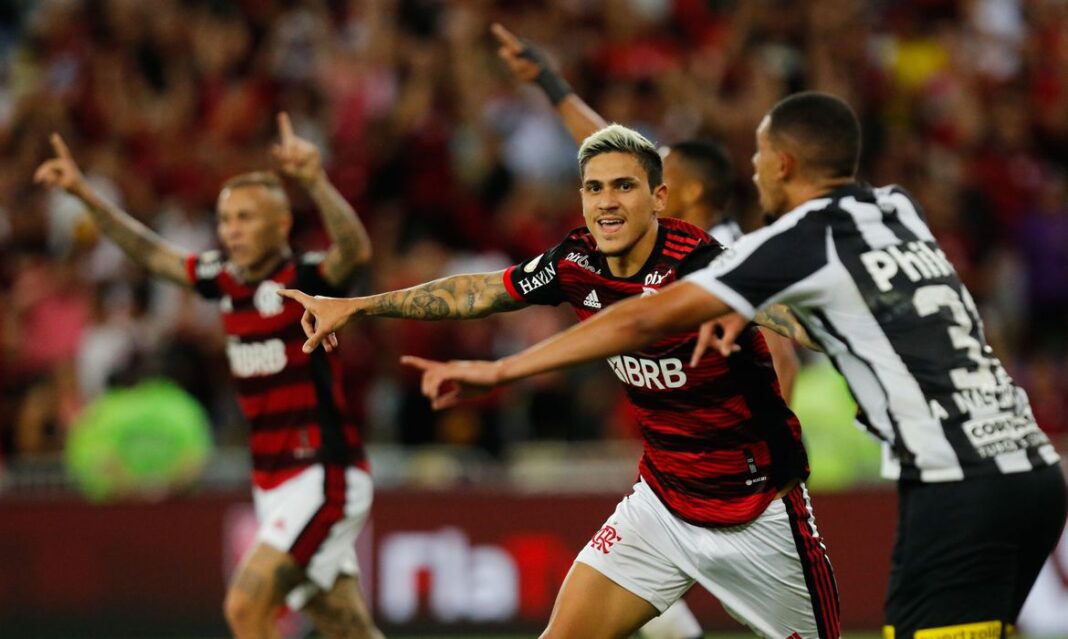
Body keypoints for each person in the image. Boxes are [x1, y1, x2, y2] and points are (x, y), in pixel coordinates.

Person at [392, 93, 1067, 639]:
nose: (751, 169)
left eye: (758, 155)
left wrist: (500, 371)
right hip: (1031, 467)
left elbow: (642, 318)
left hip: (951, 483)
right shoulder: (895, 209)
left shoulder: (786, 245)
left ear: (783, 164)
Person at [281, 124, 839, 638]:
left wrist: (857, 329)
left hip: (758, 511)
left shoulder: (705, 266)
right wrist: (358, 305)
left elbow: (803, 320)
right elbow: (480, 291)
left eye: (623, 186)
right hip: (662, 507)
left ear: (659, 198)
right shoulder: (575, 261)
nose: (607, 202)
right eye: (594, 188)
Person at [34, 115, 383, 639]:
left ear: (281, 224)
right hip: (272, 481)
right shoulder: (222, 278)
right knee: (347, 629)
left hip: (322, 473)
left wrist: (315, 182)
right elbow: (151, 252)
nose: (232, 229)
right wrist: (85, 195)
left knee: (245, 607)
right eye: (225, 218)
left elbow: (354, 252)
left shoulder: (305, 278)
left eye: (246, 217)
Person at [491, 23, 799, 404]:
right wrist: (548, 81)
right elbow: (602, 141)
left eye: (663, 170)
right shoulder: (670, 236)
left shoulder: (729, 256)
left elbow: (783, 360)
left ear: (691, 191)